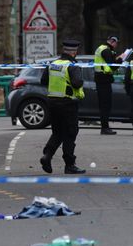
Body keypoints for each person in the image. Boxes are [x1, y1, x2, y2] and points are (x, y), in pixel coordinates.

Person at [39, 40, 87, 175]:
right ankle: (69, 165)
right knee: (70, 134)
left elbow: (43, 81)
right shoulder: (72, 66)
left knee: (57, 132)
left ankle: (47, 156)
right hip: (68, 103)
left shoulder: (53, 64)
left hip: (52, 102)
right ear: (74, 52)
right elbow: (77, 83)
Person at [93, 35, 121, 135]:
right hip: (103, 79)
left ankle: (105, 127)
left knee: (104, 105)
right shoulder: (106, 50)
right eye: (116, 43)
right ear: (113, 42)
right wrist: (120, 60)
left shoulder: (101, 48)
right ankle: (105, 128)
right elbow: (112, 66)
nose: (116, 45)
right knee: (105, 105)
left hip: (101, 79)